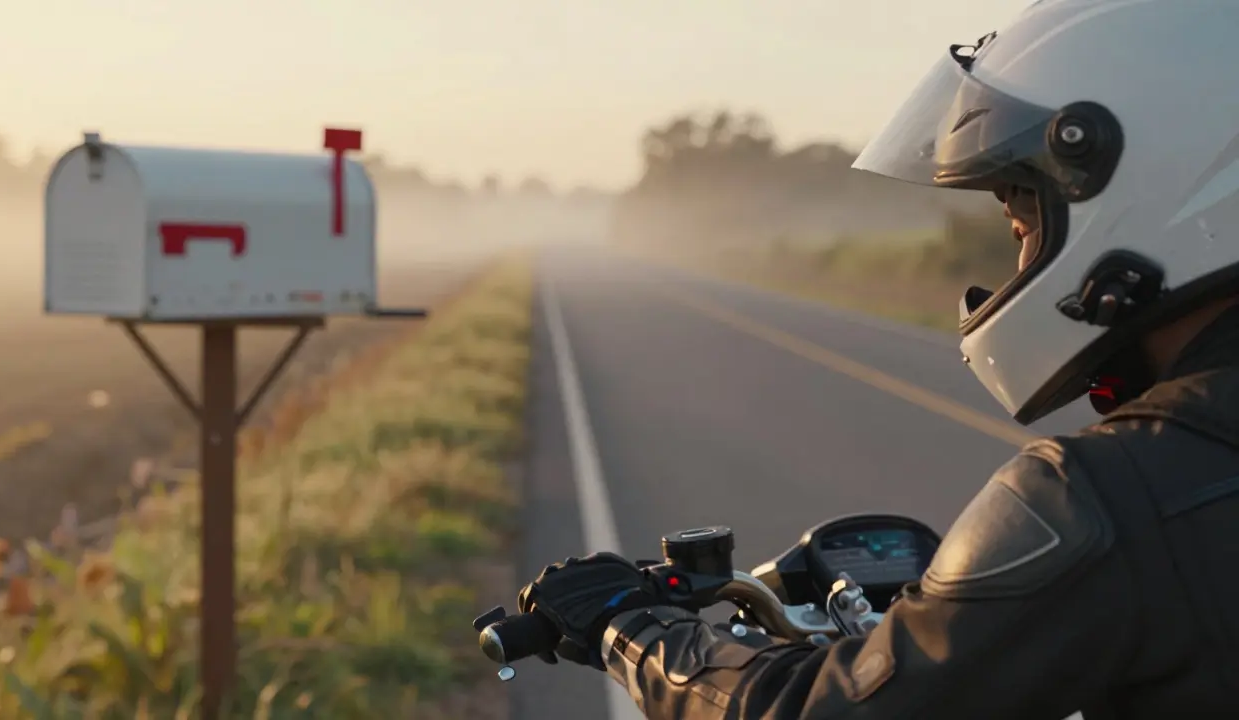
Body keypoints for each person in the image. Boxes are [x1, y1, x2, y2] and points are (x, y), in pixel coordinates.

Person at [514, 0, 1239, 717]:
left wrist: (628, 628)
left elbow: (823, 710)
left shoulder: (1106, 500)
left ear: (1151, 187)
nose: (1021, 257)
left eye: (1022, 223)